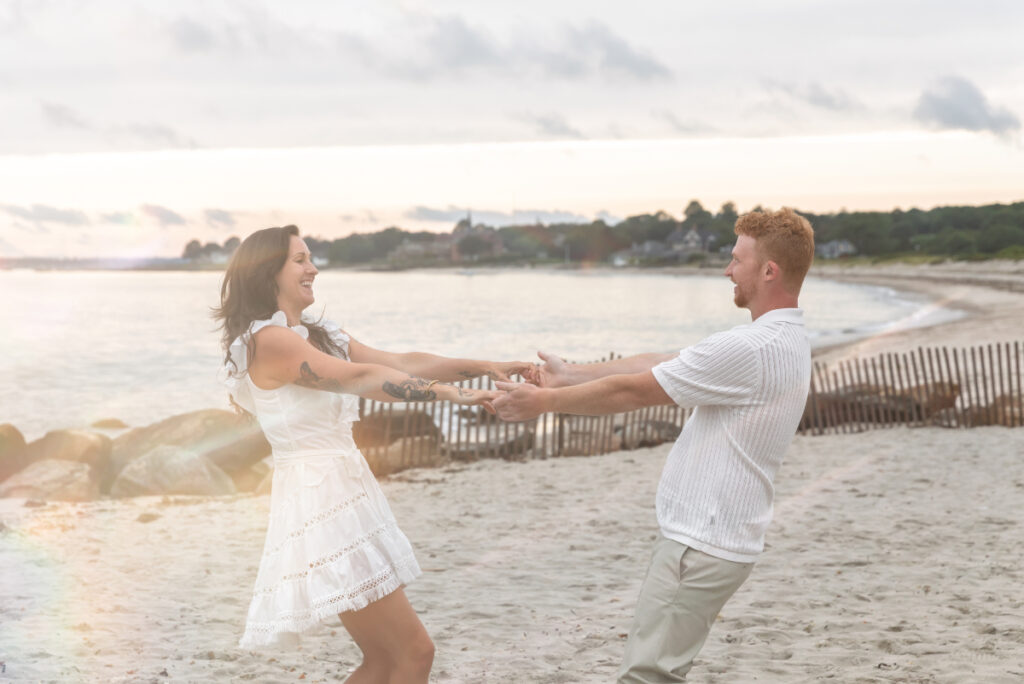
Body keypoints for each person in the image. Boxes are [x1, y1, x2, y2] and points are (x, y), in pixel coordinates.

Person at [494, 208, 815, 682]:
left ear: (769, 271)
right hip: (719, 537)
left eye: (736, 259)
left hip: (701, 542)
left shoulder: (750, 348)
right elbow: (665, 362)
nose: (727, 270)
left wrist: (544, 401)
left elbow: (634, 392)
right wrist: (573, 373)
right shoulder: (780, 339)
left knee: (647, 676)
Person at [215, 225, 529, 683]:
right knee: (414, 653)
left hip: (346, 493)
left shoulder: (313, 335)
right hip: (322, 503)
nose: (313, 268)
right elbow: (360, 378)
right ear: (268, 272)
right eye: (300, 260)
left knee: (384, 661)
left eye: (310, 258)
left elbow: (401, 363)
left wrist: (485, 367)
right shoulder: (269, 341)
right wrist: (449, 394)